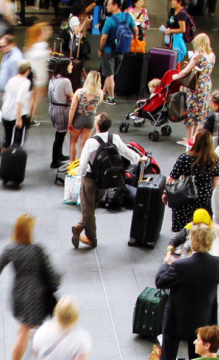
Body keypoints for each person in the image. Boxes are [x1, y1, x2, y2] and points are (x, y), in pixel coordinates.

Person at [140, 224, 219, 360]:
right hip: (203, 319)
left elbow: (160, 281)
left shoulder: (181, 265)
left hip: (177, 317)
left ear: (193, 242)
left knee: (168, 355)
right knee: (196, 357)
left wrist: (166, 262)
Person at [0, 214, 61, 360]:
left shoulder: (11, 249)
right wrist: (58, 280)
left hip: (18, 293)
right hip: (36, 296)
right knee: (24, 329)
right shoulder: (37, 249)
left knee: (26, 325)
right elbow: (52, 275)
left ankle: (33, 334)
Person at [71, 113, 142, 248]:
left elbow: (83, 163)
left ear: (97, 126)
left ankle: (92, 239)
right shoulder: (115, 138)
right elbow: (126, 152)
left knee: (88, 210)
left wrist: (81, 176)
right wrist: (139, 158)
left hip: (91, 179)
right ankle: (79, 227)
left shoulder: (91, 142)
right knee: (92, 207)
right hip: (106, 180)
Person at [164, 129, 219, 232]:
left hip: (185, 196)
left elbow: (172, 178)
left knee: (184, 228)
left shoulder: (185, 157)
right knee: (200, 226)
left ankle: (183, 246)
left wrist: (165, 193)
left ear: (196, 141)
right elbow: (216, 178)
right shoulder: (214, 159)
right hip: (204, 197)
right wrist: (207, 190)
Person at [172, 34, 215, 144]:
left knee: (191, 113)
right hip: (206, 85)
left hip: (195, 87)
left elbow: (186, 70)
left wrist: (176, 77)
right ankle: (194, 138)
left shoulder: (198, 56)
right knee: (200, 114)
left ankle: (188, 138)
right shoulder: (212, 55)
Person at [98, 0, 137, 106]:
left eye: (109, 4)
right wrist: (133, 40)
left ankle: (111, 98)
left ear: (115, 5)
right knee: (111, 74)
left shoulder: (110, 20)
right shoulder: (128, 17)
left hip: (109, 51)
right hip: (122, 50)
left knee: (109, 74)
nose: (106, 7)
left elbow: (104, 38)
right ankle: (103, 93)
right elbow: (135, 29)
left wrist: (100, 49)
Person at [68, 71, 103, 163]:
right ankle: (81, 164)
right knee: (84, 144)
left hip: (78, 118)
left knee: (73, 141)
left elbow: (72, 109)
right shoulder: (100, 93)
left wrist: (70, 122)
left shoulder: (80, 92)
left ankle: (72, 163)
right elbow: (99, 103)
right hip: (91, 119)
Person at [23, 23, 52, 121]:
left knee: (34, 96)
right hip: (37, 75)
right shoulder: (40, 46)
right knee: (34, 97)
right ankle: (29, 117)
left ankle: (30, 115)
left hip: (35, 74)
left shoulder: (32, 45)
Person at [1, 60, 32, 148]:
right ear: (28, 70)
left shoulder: (11, 80)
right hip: (17, 113)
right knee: (18, 141)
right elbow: (19, 101)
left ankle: (6, 155)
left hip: (6, 111)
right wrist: (19, 118)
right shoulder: (25, 82)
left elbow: (5, 96)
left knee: (7, 137)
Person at [48, 59, 73, 169]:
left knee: (59, 135)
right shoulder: (66, 81)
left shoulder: (53, 79)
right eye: (70, 65)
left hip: (53, 108)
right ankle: (55, 161)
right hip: (62, 109)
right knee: (60, 136)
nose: (72, 67)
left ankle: (59, 155)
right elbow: (71, 96)